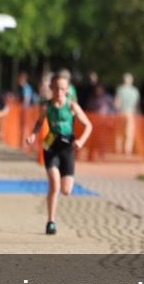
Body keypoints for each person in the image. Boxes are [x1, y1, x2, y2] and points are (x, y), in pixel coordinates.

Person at [26, 72, 93, 235]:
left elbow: (89, 125)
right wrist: (34, 134)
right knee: (54, 185)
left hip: (68, 147)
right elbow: (39, 122)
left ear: (67, 90)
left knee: (66, 190)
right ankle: (51, 222)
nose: (59, 92)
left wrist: (81, 141)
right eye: (56, 88)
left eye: (63, 89)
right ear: (51, 88)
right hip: (51, 146)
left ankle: (53, 217)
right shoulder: (46, 106)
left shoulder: (72, 106)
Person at [116, 72, 140, 155]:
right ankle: (127, 150)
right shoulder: (135, 91)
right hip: (131, 114)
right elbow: (137, 105)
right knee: (129, 133)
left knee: (119, 132)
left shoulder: (120, 89)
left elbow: (117, 103)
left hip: (121, 113)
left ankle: (119, 149)